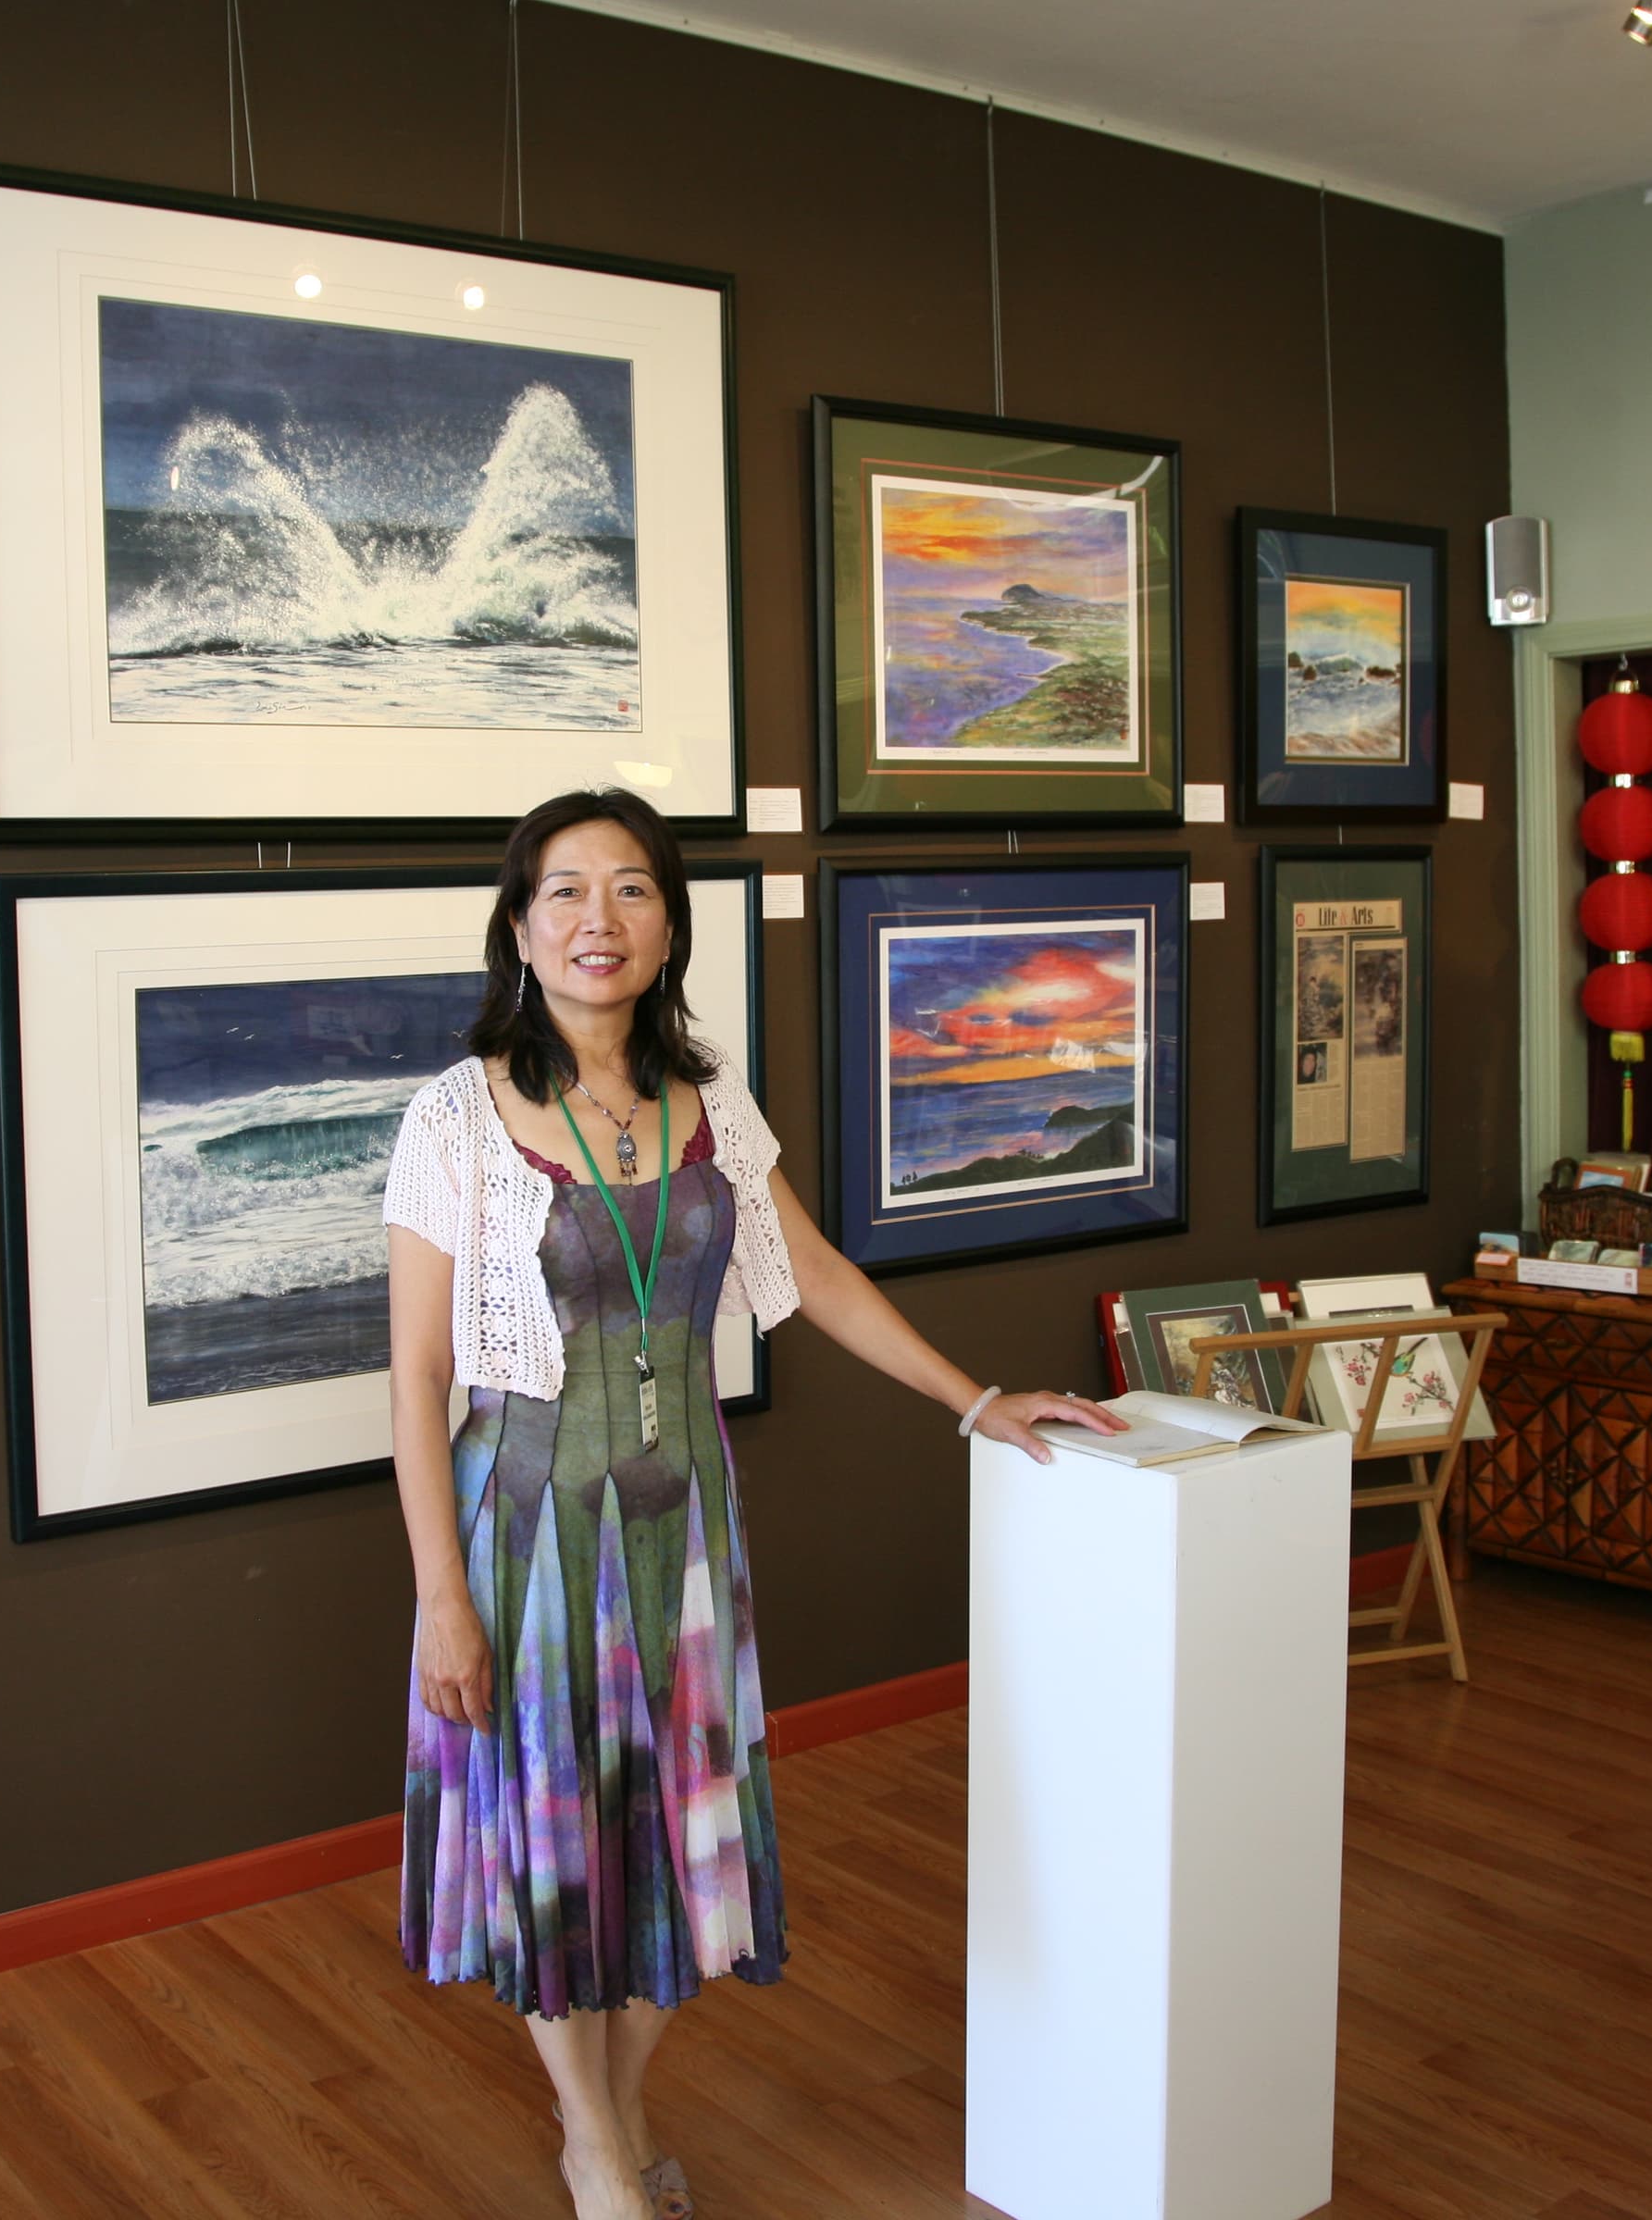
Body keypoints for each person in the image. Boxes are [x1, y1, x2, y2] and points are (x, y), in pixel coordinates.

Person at [381, 788, 1124, 2220]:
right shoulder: (456, 1116)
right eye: (566, 893)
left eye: (632, 891)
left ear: (668, 925)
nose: (600, 921)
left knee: (689, 1838)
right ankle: (598, 2151)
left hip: (684, 1529)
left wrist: (974, 1399)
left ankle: (614, 2104)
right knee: (558, 1842)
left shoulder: (709, 1101)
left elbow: (817, 1275)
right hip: (529, 1530)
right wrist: (439, 1599)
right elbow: (416, 1378)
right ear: (520, 928)